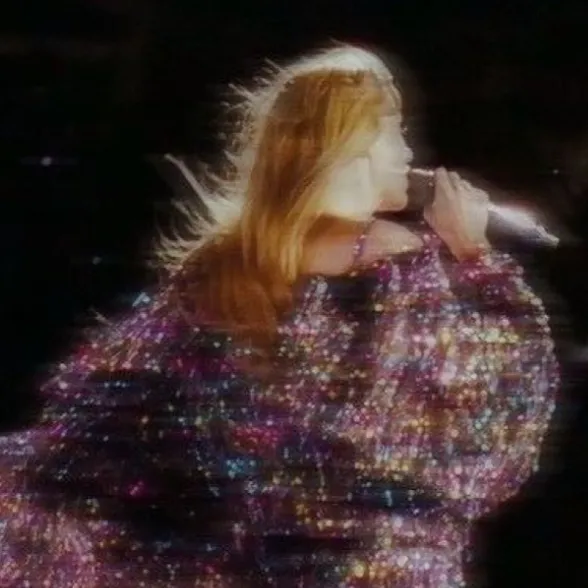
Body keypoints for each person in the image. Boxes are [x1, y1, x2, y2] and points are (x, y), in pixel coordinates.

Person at [0, 41, 559, 588]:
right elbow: (488, 434)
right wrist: (476, 259)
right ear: (355, 140)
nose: (410, 154)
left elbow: (91, 445)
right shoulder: (396, 259)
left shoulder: (218, 268)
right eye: (397, 132)